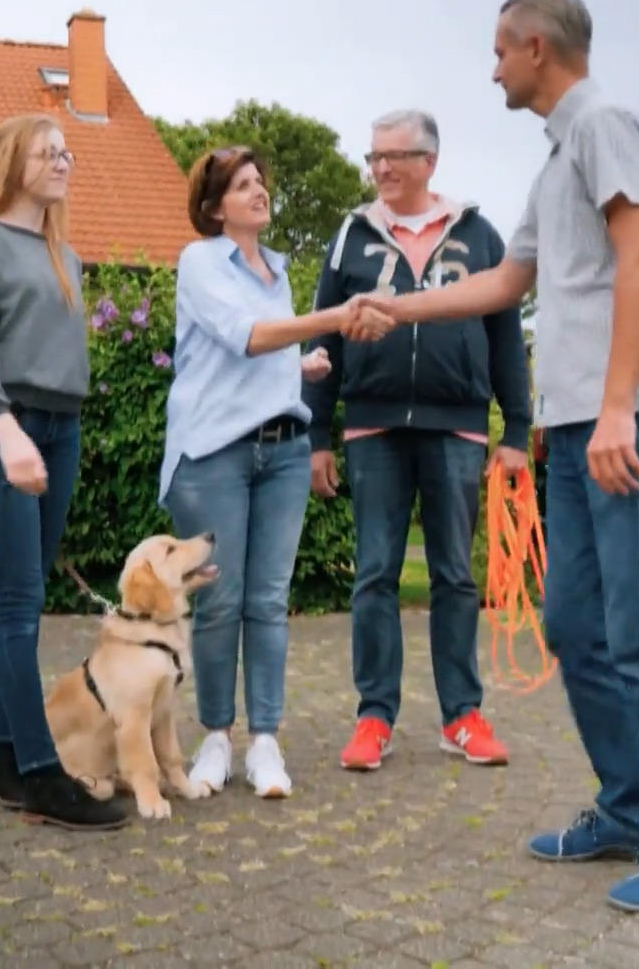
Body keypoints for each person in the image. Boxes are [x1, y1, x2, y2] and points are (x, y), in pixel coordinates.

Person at [343, 0, 639, 912]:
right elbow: (505, 282)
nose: (492, 71)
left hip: (631, 423)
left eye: (499, 52)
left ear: (536, 49)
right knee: (574, 629)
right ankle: (630, 808)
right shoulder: (557, 160)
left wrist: (617, 408)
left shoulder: (605, 127)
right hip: (583, 429)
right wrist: (398, 305)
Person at [303, 109, 531, 772]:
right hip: (372, 427)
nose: (380, 168)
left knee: (455, 575)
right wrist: (317, 433)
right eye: (373, 157)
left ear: (429, 161)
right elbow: (324, 334)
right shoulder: (350, 235)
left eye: (393, 157)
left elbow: (504, 335)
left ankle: (462, 715)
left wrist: (516, 429)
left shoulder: (479, 233)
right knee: (374, 573)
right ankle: (374, 717)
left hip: (456, 425)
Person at [161, 144, 383, 800]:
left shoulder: (275, 270)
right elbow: (247, 335)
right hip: (214, 453)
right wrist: (335, 320)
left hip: (284, 450)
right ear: (214, 207)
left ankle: (264, 742)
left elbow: (264, 352)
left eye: (260, 181)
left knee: (266, 603)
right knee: (220, 602)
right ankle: (215, 739)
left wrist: (300, 365)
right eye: (242, 185)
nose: (259, 191)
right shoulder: (200, 261)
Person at [0, 113, 129, 831]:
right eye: (46, 151)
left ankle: (3, 756)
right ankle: (41, 772)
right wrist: (1, 426)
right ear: (10, 163)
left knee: (27, 595)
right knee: (19, 602)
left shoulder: (65, 255)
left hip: (62, 428)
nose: (62, 161)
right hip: (6, 427)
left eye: (65, 152)